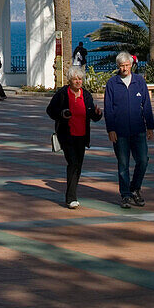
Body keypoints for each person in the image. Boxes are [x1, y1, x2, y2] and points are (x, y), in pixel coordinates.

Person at [46, 65, 103, 208]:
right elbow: (50, 110)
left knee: (78, 165)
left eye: (80, 79)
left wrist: (97, 114)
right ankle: (71, 197)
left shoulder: (86, 95)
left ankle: (71, 194)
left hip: (82, 135)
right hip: (66, 135)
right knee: (73, 163)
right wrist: (62, 113)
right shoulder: (63, 94)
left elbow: (93, 116)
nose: (78, 81)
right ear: (69, 80)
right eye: (75, 79)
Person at [104, 51, 154, 209]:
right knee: (123, 164)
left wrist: (150, 126)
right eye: (121, 66)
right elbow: (108, 109)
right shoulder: (112, 83)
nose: (124, 68)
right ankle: (125, 194)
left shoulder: (139, 81)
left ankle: (135, 188)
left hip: (138, 130)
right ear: (118, 67)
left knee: (143, 160)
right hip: (120, 132)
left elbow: (146, 105)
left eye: (127, 65)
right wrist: (110, 130)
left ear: (131, 65)